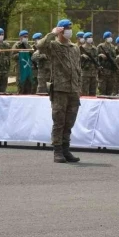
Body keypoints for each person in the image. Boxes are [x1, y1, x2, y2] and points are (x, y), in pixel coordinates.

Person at [37, 20, 81, 163]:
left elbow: (77, 68)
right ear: (60, 30)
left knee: (69, 122)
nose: (69, 31)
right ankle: (58, 151)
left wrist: (78, 87)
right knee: (59, 121)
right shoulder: (54, 46)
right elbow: (40, 46)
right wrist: (52, 33)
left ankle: (66, 149)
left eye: (70, 28)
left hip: (73, 90)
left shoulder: (75, 48)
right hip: (59, 89)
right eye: (66, 28)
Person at [97, 31, 118, 96]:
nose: (110, 38)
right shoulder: (100, 46)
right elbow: (95, 56)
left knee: (110, 91)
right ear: (105, 38)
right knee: (102, 91)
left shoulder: (112, 46)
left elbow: (115, 57)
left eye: (111, 36)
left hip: (111, 71)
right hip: (104, 71)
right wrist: (100, 55)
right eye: (109, 37)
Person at [79, 32, 99, 97]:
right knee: (84, 92)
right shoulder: (80, 48)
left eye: (91, 37)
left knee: (93, 93)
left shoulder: (95, 49)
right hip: (85, 73)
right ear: (85, 39)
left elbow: (97, 60)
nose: (90, 39)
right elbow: (75, 58)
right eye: (89, 37)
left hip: (94, 73)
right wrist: (82, 56)